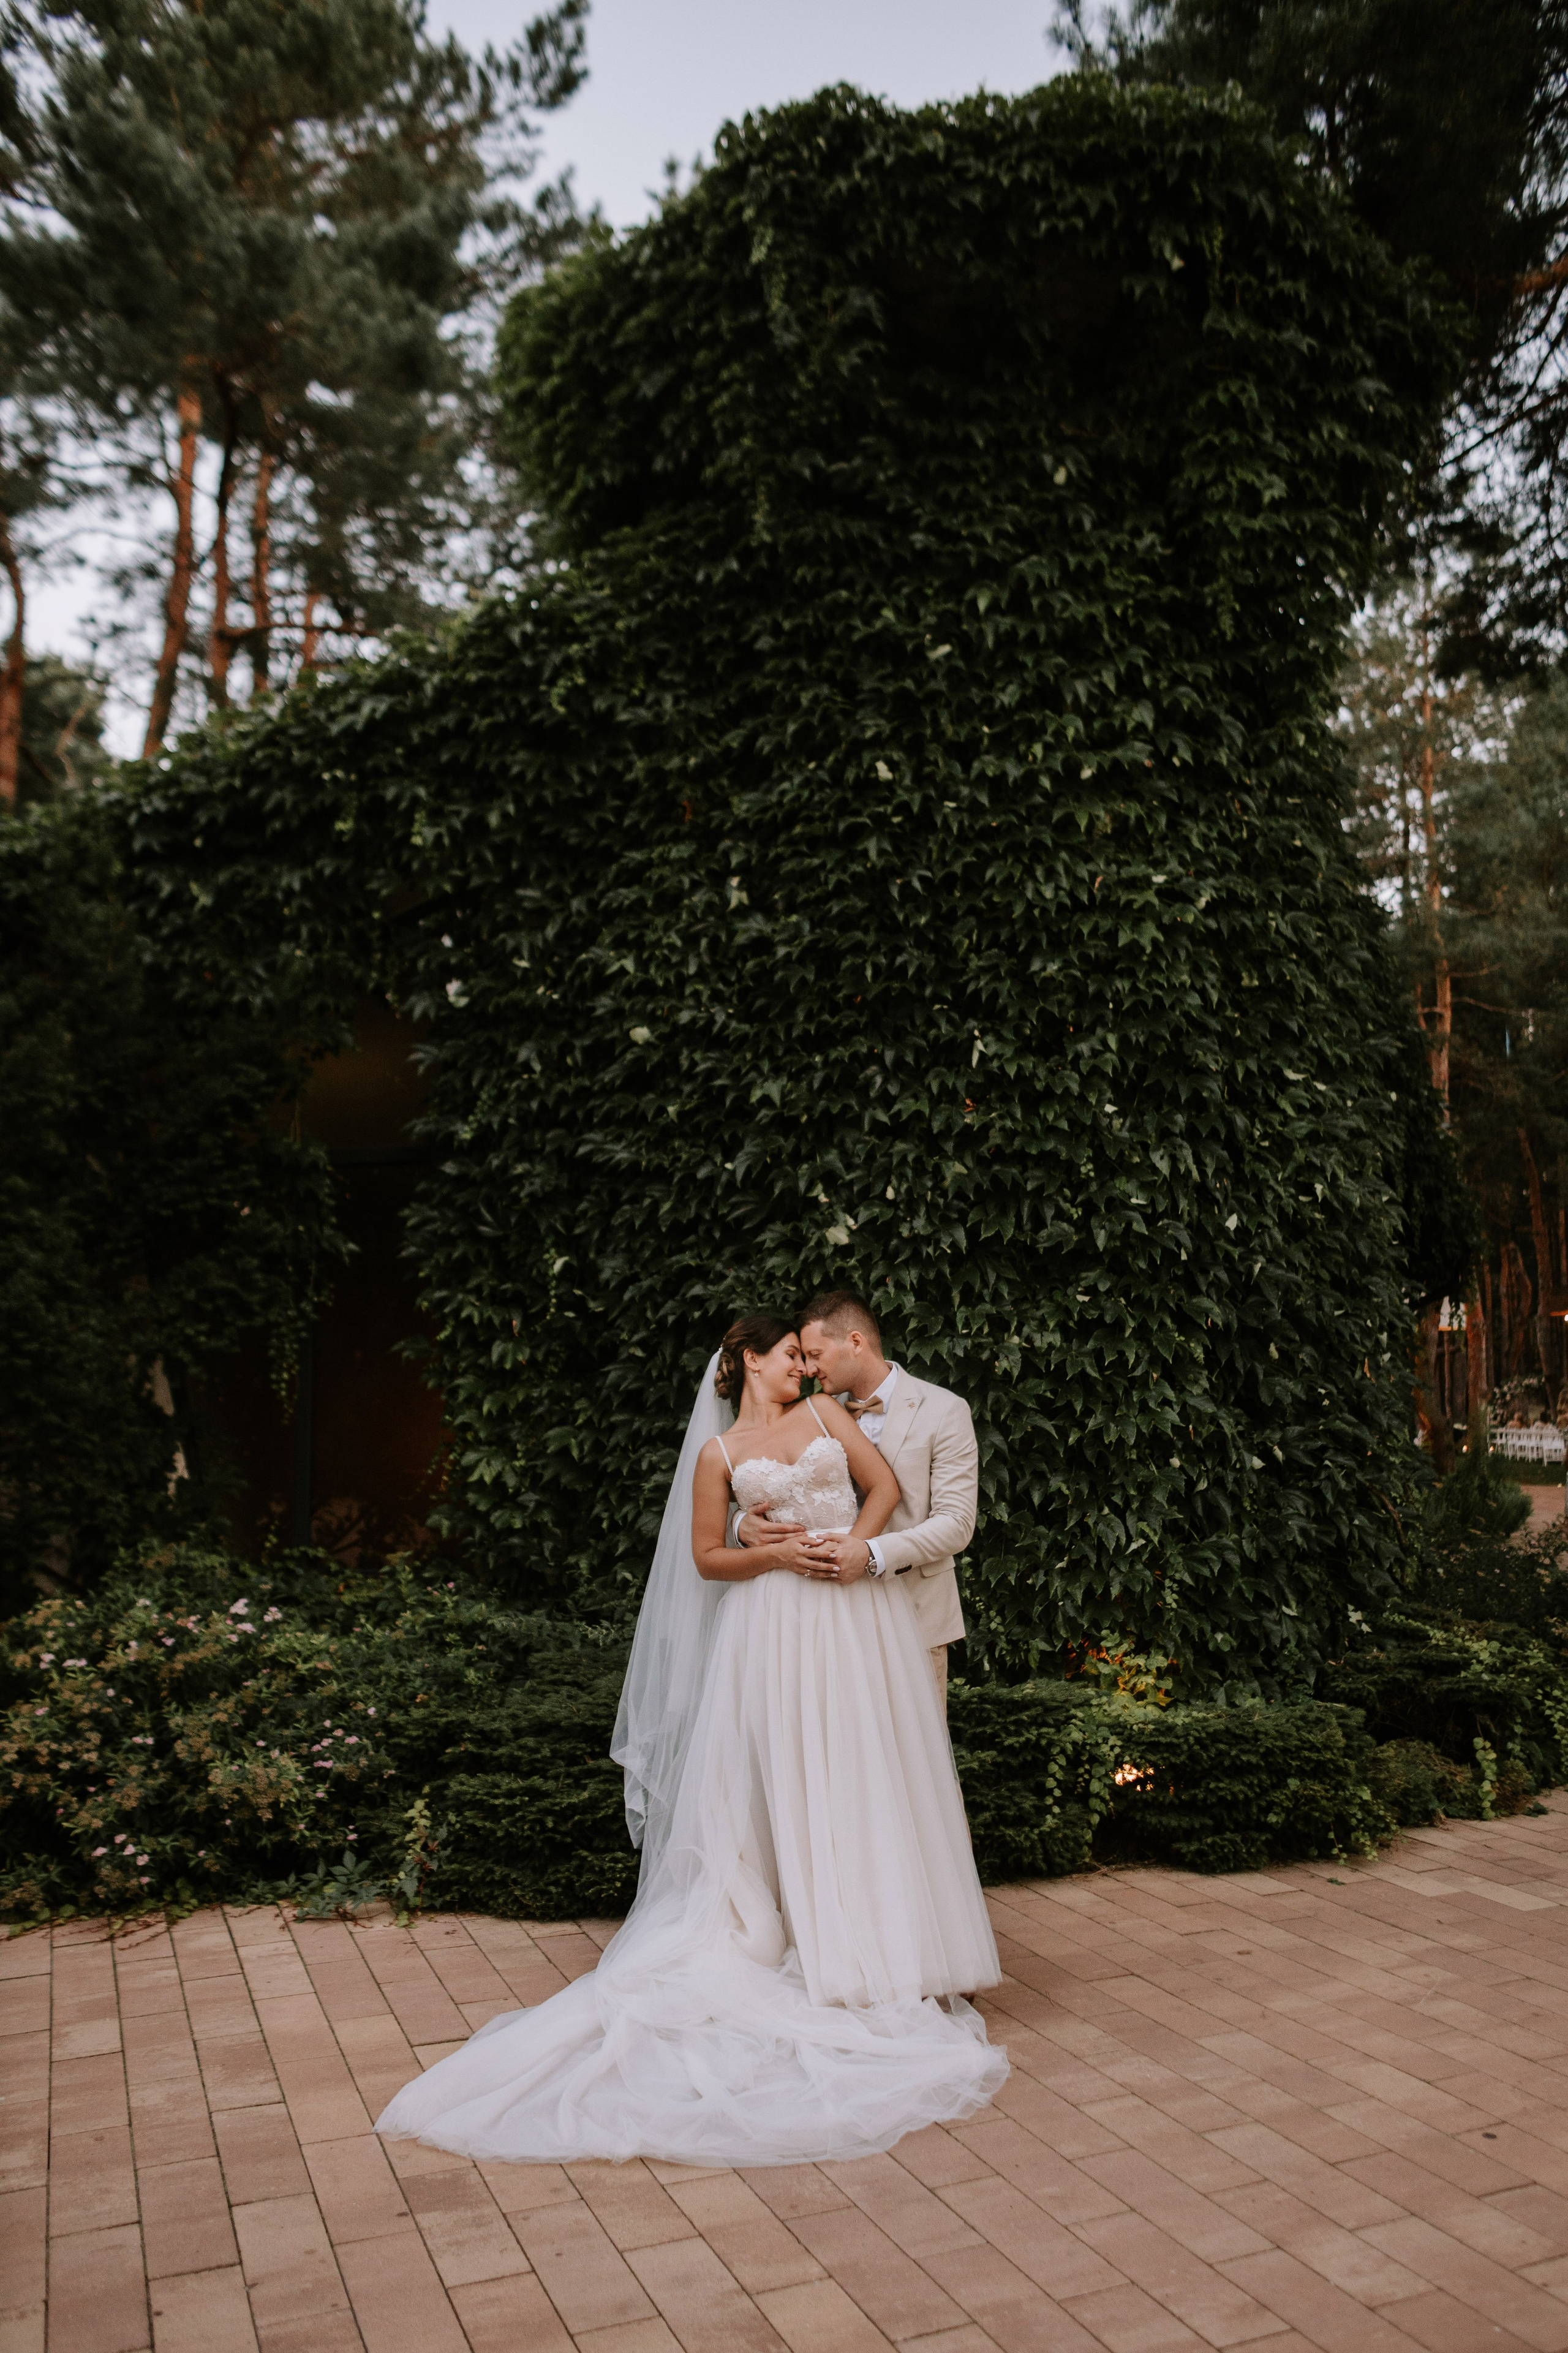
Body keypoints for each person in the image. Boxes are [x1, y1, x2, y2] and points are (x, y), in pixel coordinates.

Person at [374, 1312, 1006, 2168]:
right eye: (791, 1355)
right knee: (780, 1778)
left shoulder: (829, 1419)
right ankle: (807, 1932)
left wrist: (855, 1545)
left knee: (864, 1773)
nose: (804, 1367)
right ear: (750, 1359)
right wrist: (768, 1553)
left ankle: (881, 1941)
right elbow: (708, 1557)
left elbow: (885, 1486)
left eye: (809, 1354)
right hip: (769, 1627)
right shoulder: (717, 1455)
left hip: (856, 1619)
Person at [733, 1290, 978, 1709]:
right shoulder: (813, 1411)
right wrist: (740, 1525)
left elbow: (956, 1524)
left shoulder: (944, 1410)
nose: (807, 1368)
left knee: (914, 1761)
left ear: (856, 1342)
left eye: (814, 1353)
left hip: (914, 1612)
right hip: (823, 1622)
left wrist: (868, 1552)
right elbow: (770, 1477)